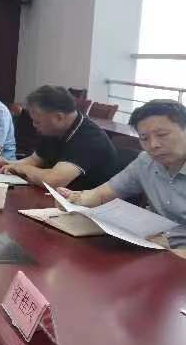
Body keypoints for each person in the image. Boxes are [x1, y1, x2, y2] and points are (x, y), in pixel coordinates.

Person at [60, 100, 186, 248]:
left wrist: (172, 251)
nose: (153, 145)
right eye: (144, 138)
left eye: (162, 135)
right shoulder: (145, 162)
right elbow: (102, 194)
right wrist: (74, 199)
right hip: (151, 244)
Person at [0, 85, 118, 189]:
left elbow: (54, 180)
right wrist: (9, 164)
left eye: (37, 122)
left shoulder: (89, 138)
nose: (34, 125)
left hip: (90, 207)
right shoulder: (52, 130)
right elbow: (35, 160)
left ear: (59, 117)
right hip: (62, 198)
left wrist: (23, 169)